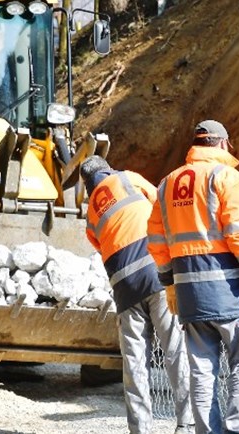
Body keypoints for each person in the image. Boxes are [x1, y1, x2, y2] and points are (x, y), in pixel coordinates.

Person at [147, 120, 239, 434]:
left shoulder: (167, 184)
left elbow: (157, 241)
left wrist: (169, 285)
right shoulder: (228, 178)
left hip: (190, 295)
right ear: (222, 144)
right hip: (230, 293)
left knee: (202, 371)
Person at [81, 156, 195, 434]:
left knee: (134, 363)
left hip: (125, 289)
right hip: (156, 275)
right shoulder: (128, 178)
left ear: (87, 186)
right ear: (108, 170)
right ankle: (186, 423)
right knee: (174, 349)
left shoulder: (91, 215)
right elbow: (162, 204)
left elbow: (100, 246)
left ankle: (141, 429)